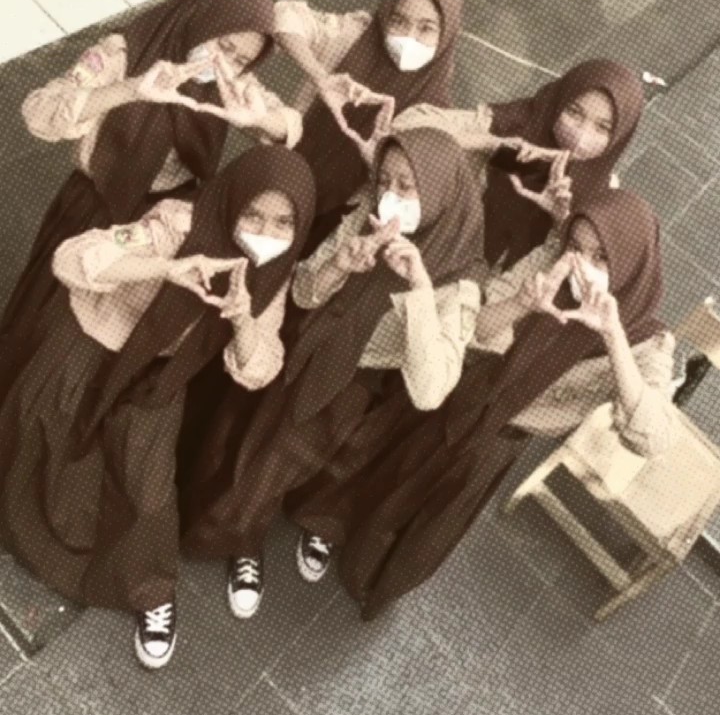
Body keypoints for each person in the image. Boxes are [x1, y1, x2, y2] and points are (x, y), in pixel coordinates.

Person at [0, 147, 316, 670]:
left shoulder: (273, 277)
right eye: (254, 214)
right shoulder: (177, 223)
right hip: (92, 344)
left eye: (284, 222)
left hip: (159, 378)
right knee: (40, 431)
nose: (266, 231)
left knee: (147, 492)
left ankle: (150, 590)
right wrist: (167, 267)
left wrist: (243, 319)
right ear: (233, 201)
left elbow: (259, 367)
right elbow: (74, 257)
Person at [305, 190, 677, 620]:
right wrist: (522, 305)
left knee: (433, 515)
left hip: (501, 436)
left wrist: (612, 336)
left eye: (602, 258)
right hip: (459, 390)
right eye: (576, 248)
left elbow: (653, 437)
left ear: (632, 266)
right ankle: (328, 526)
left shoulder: (646, 341)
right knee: (382, 460)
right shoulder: (549, 263)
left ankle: (372, 576)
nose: (583, 266)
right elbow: (476, 328)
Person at [180, 127, 486, 618]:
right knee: (241, 436)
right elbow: (303, 292)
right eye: (384, 181)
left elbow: (431, 389)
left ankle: (242, 540)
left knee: (282, 459)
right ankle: (227, 521)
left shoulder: (460, 282)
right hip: (297, 345)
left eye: (407, 185)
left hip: (348, 378)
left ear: (442, 191)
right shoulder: (368, 217)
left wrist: (420, 289)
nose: (390, 196)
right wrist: (338, 266)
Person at [0, 0, 295, 378]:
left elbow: (289, 125)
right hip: (96, 202)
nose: (226, 64)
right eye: (224, 46)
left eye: (242, 60)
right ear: (202, 19)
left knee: (116, 327)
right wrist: (132, 89)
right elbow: (40, 111)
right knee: (50, 307)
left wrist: (258, 118)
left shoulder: (232, 80)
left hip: (161, 217)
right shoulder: (122, 53)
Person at [382, 58, 646, 272]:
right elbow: (402, 128)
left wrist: (560, 219)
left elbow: (583, 273)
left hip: (501, 296)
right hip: (426, 255)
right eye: (574, 112)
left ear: (620, 137)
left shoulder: (604, 194)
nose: (582, 133)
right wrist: (489, 143)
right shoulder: (511, 126)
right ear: (559, 100)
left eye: (603, 127)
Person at [275, 0, 464, 252]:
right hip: (277, 172)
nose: (408, 37)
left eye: (426, 29)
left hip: (336, 220)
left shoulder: (433, 110)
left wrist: (378, 162)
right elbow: (283, 16)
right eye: (398, 21)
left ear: (446, 34)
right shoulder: (354, 35)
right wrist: (320, 77)